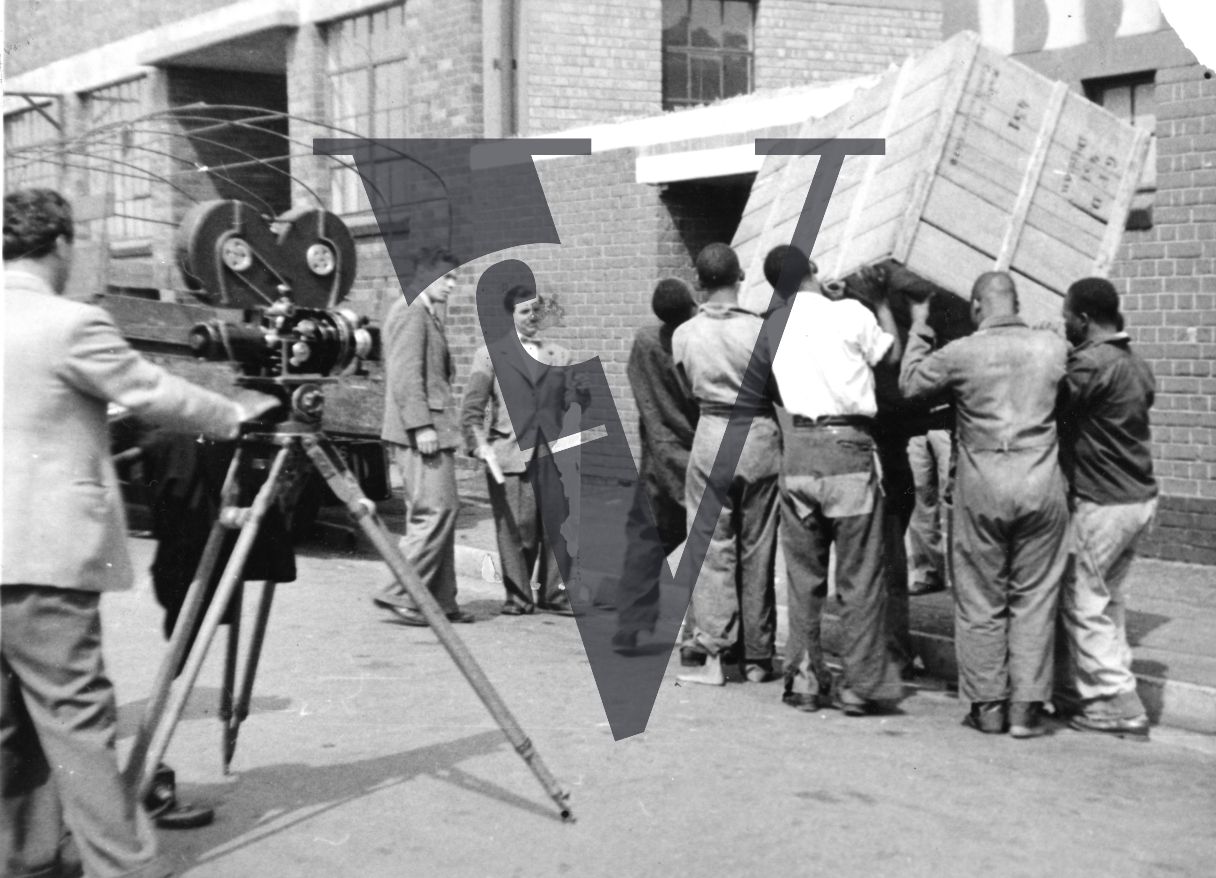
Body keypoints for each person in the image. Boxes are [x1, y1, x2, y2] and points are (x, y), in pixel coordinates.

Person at [1, 188, 275, 878]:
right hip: (44, 564)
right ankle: (122, 867)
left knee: (10, 729)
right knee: (79, 731)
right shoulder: (69, 323)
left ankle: (29, 859)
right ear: (61, 245)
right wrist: (234, 413)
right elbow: (149, 390)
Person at [900, 271, 1069, 739]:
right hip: (1041, 484)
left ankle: (988, 707)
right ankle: (1026, 712)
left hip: (983, 488)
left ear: (977, 306)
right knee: (1034, 598)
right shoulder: (1050, 348)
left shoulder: (963, 352)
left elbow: (910, 382)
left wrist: (920, 323)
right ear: (1017, 301)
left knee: (980, 599)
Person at [761, 245, 905, 714]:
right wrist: (879, 301)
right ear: (815, 269)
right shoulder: (852, 313)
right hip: (849, 451)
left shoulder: (773, 328)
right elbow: (891, 353)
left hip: (799, 452)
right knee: (860, 576)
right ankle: (860, 685)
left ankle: (803, 681)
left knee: (803, 579)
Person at [672, 243, 780, 686]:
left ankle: (715, 652)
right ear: (739, 278)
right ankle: (759, 656)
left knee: (712, 546)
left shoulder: (684, 334)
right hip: (758, 433)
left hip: (712, 431)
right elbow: (777, 386)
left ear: (699, 281)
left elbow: (684, 388)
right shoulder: (762, 330)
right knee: (760, 547)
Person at [1057, 277, 1157, 740]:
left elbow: (1053, 402)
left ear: (1082, 318)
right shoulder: (1136, 364)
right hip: (1139, 498)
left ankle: (1117, 702)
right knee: (1109, 600)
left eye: (1065, 318)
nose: (1063, 325)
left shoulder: (1091, 365)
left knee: (1087, 604)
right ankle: (1116, 691)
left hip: (1105, 501)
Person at [460, 284, 575, 616]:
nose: (532, 317)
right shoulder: (489, 355)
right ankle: (519, 596)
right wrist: (478, 445)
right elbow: (471, 410)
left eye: (536, 310)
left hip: (553, 456)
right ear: (509, 318)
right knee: (518, 532)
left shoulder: (560, 355)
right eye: (524, 311)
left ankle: (554, 595)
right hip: (509, 455)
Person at [375, 249, 475, 626]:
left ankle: (439, 601)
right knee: (434, 511)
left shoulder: (425, 312)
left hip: (433, 429)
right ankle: (400, 592)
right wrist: (421, 427)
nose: (452, 285)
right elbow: (405, 377)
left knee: (442, 512)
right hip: (421, 431)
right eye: (446, 278)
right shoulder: (412, 310)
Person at [613, 278, 700, 653]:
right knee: (705, 547)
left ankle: (630, 625)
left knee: (647, 544)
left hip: (656, 458)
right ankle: (699, 637)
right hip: (692, 453)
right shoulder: (694, 342)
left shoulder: (645, 341)